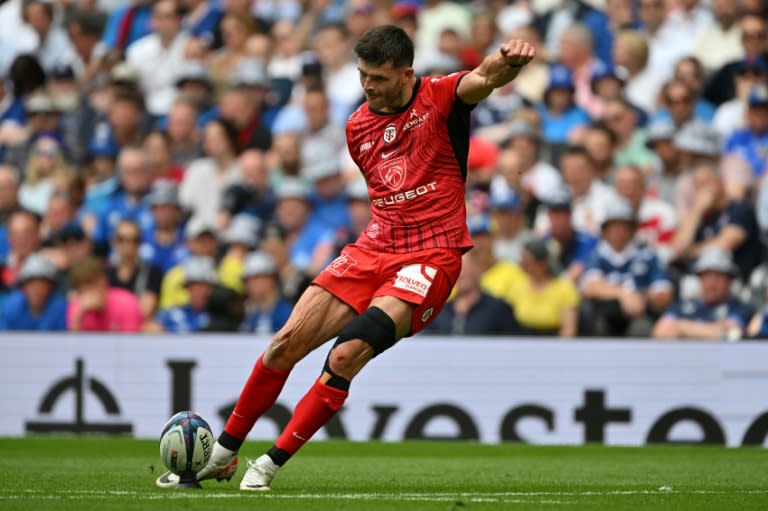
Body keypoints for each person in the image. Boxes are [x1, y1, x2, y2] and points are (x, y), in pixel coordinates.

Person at [155, 25, 535, 490]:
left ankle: (268, 465)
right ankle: (223, 454)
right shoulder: (357, 126)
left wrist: (510, 60)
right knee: (283, 345)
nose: (368, 85)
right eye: (362, 75)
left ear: (405, 74)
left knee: (348, 352)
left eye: (377, 76)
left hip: (432, 255)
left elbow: (484, 76)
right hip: (373, 248)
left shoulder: (439, 96)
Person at [653, 247, 753, 341]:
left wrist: (681, 327)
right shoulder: (682, 306)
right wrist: (713, 330)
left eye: (718, 276)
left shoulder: (740, 308)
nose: (712, 283)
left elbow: (732, 333)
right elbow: (660, 331)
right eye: (707, 276)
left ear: (730, 280)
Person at [426, 251, 519, 335]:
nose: (461, 274)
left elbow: (514, 345)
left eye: (465, 269)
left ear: (479, 270)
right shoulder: (439, 313)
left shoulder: (498, 310)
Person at [505, 239, 580, 337]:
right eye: (522, 263)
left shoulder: (564, 288)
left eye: (527, 263)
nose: (523, 267)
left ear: (542, 264)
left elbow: (568, 330)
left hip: (553, 341)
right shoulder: (517, 284)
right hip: (522, 340)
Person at [66, 256, 143, 332]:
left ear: (103, 280)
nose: (87, 291)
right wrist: (79, 316)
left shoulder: (127, 302)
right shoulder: (76, 307)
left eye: (90, 283)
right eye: (80, 288)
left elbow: (131, 341)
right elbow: (73, 343)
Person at [0, 252, 66, 331]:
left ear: (51, 287)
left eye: (42, 284)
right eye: (32, 284)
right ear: (23, 287)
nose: (37, 289)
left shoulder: (60, 308)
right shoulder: (10, 306)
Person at [240, 251, 293, 334]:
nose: (253, 285)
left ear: (273, 280)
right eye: (249, 281)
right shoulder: (253, 315)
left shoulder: (287, 313)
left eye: (258, 278)